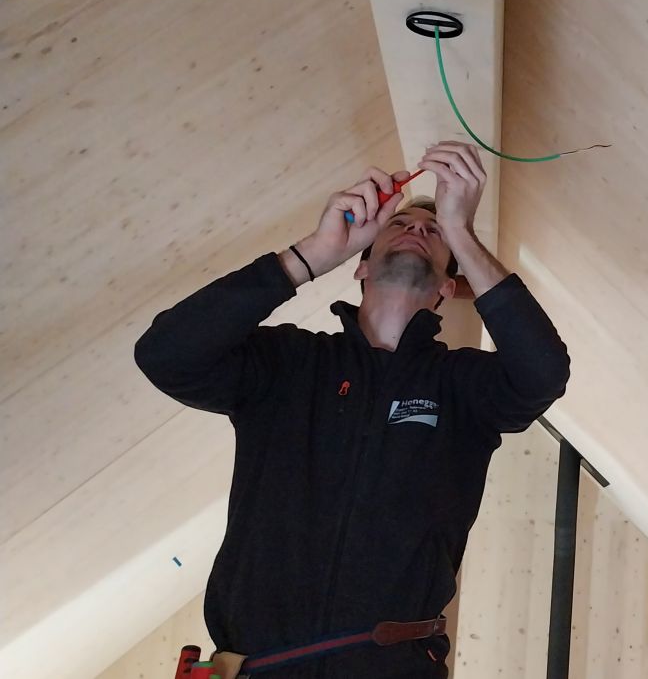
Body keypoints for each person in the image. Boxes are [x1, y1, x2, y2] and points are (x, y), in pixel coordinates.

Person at [136, 141, 570, 678]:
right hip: (255, 667)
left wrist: (462, 231)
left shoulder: (462, 386)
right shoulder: (288, 363)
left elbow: (543, 373)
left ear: (445, 288)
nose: (417, 229)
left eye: (434, 232)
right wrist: (311, 255)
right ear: (360, 266)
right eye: (400, 224)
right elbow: (165, 355)